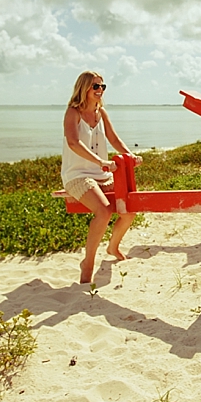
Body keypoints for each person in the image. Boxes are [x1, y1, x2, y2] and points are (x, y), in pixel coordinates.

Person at [62, 71, 138, 283]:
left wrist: (130, 155)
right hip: (77, 175)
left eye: (102, 86)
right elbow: (73, 143)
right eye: (95, 86)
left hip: (101, 175)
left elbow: (113, 138)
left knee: (129, 209)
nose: (100, 90)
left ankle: (113, 246)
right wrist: (101, 162)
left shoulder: (101, 113)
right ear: (83, 88)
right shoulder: (73, 113)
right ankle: (88, 263)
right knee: (104, 211)